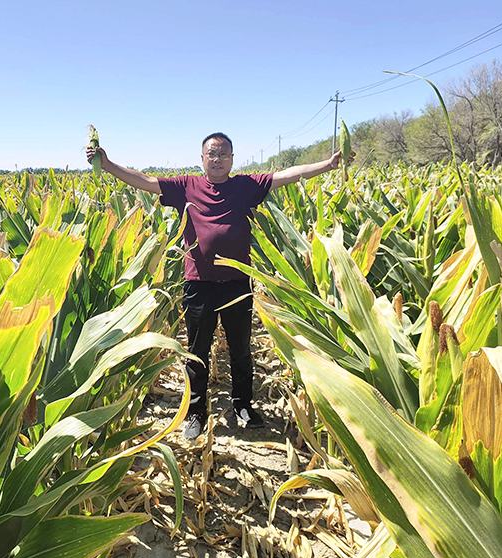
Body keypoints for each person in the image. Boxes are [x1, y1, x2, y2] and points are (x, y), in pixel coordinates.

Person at [87, 133, 352, 439]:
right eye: (211, 154)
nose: (217, 159)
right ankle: (196, 412)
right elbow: (146, 181)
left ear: (232, 159)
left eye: (223, 154)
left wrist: (329, 164)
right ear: (202, 159)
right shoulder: (186, 186)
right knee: (197, 351)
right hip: (199, 284)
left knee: (241, 349)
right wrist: (107, 164)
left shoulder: (245, 186)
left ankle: (242, 404)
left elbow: (288, 175)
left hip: (237, 283)